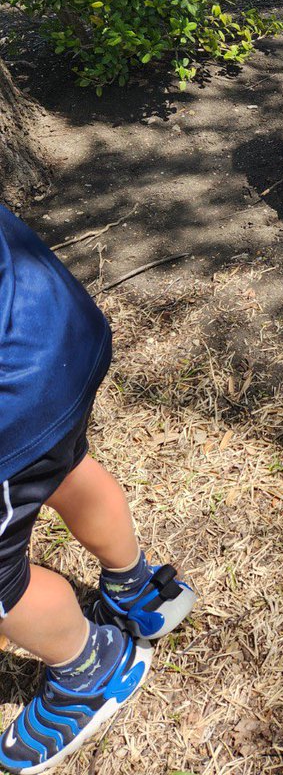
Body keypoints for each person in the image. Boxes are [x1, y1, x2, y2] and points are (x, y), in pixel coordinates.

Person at [0, 205, 195, 775]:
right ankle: (139, 588)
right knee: (64, 466)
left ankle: (92, 667)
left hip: (11, 396)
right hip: (50, 324)